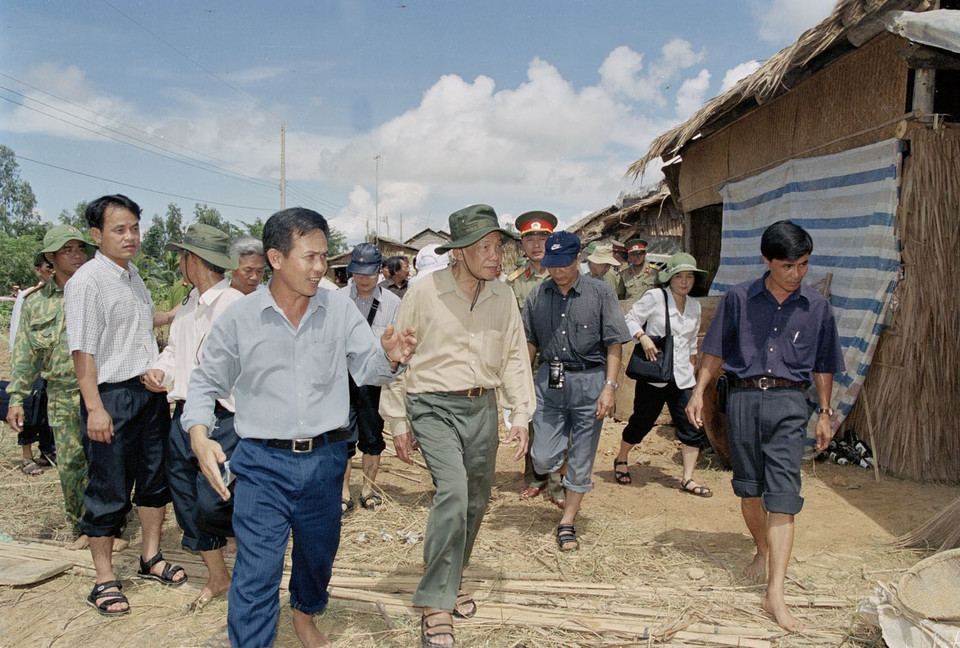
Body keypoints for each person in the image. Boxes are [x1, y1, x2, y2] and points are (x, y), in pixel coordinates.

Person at [181, 207, 416, 648]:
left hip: (326, 460)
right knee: (256, 570)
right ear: (275, 257)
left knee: (317, 555)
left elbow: (368, 368)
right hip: (261, 464)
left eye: (324, 257)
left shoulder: (339, 310)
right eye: (309, 256)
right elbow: (205, 382)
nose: (320, 267)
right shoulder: (239, 318)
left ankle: (306, 615)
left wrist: (391, 357)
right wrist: (198, 432)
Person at [381, 204, 534, 648]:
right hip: (432, 406)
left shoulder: (502, 295)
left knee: (476, 502)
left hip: (481, 407)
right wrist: (397, 420)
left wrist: (519, 413)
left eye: (498, 247)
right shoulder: (424, 292)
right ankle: (435, 604)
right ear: (459, 252)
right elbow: (399, 354)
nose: (494, 256)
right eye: (484, 247)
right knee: (453, 493)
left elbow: (512, 357)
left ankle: (450, 578)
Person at [685, 220, 844, 633]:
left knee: (784, 494)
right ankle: (761, 548)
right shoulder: (739, 299)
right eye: (788, 265)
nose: (797, 273)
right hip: (741, 399)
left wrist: (824, 412)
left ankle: (776, 592)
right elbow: (715, 349)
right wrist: (699, 391)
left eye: (804, 265)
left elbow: (825, 363)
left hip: (791, 403)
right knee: (750, 488)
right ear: (767, 261)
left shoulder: (817, 307)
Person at [64, 194, 186, 617]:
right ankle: (103, 579)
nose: (130, 236)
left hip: (147, 394)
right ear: (96, 234)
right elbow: (83, 351)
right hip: (110, 397)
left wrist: (175, 315)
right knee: (109, 488)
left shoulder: (131, 275)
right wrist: (95, 408)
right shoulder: (87, 282)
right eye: (119, 229)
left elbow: (139, 321)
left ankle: (149, 557)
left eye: (134, 227)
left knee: (154, 480)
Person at [141, 224, 245, 612]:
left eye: (182, 257)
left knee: (215, 499)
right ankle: (219, 576)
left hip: (224, 416)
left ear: (194, 261)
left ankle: (251, 564)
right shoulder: (188, 304)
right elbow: (175, 353)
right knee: (185, 496)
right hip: (184, 413)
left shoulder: (233, 305)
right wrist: (160, 372)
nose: (180, 264)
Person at [523, 231, 631, 552]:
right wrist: (521, 383)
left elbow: (614, 343)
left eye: (563, 264)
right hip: (552, 376)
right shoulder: (536, 295)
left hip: (590, 379)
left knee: (583, 452)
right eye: (551, 265)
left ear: (578, 260)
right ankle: (569, 469)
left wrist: (610, 388)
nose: (557, 271)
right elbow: (529, 341)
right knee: (541, 457)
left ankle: (568, 520)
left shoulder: (600, 293)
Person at [7, 226, 95, 541]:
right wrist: (16, 398)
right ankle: (81, 526)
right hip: (62, 393)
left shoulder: (97, 291)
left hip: (102, 391)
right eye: (67, 250)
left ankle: (109, 525)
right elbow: (25, 355)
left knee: (105, 462)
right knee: (70, 464)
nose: (76, 255)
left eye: (80, 249)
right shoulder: (35, 303)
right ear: (50, 257)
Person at [616, 253, 712, 496]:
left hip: (682, 376)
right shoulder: (656, 297)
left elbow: (691, 342)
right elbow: (629, 318)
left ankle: (687, 478)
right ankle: (622, 457)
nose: (684, 282)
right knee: (642, 421)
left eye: (689, 277)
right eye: (679, 276)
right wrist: (643, 337)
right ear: (670, 278)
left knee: (691, 424)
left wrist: (693, 365)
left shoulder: (695, 306)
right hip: (655, 374)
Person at [506, 210, 564, 506]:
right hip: (527, 362)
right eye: (530, 238)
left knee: (555, 417)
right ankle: (533, 478)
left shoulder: (563, 273)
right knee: (528, 415)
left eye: (543, 237)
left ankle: (557, 480)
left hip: (556, 362)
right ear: (522, 245)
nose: (537, 244)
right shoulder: (514, 282)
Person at [338, 243, 402, 512]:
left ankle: (368, 489)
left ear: (380, 271)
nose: (363, 279)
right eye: (358, 273)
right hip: (342, 378)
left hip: (374, 380)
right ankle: (343, 493)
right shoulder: (338, 299)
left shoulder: (393, 303)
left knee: (372, 435)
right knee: (341, 435)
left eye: (369, 273)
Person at [8, 256, 56, 475]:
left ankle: (47, 450)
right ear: (38, 270)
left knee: (48, 406)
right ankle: (27, 455)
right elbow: (19, 336)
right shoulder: (28, 298)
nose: (53, 271)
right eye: (48, 267)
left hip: (53, 361)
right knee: (31, 406)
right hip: (33, 360)